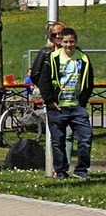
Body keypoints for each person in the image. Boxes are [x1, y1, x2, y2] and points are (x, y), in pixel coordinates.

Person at [38, 27, 94, 180]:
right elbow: (44, 80)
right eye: (66, 42)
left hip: (77, 106)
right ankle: (61, 171)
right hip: (58, 107)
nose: (69, 45)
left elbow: (89, 82)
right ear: (60, 42)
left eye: (72, 41)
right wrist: (50, 101)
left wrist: (83, 101)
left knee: (85, 138)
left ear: (76, 41)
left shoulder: (83, 58)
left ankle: (82, 170)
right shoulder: (52, 58)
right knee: (58, 141)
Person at [30, 22, 74, 164]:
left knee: (68, 134)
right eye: (54, 34)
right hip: (53, 100)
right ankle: (58, 166)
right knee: (56, 135)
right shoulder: (45, 53)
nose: (57, 37)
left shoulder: (74, 51)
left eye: (60, 33)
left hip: (71, 98)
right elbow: (35, 74)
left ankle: (64, 166)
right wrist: (47, 92)